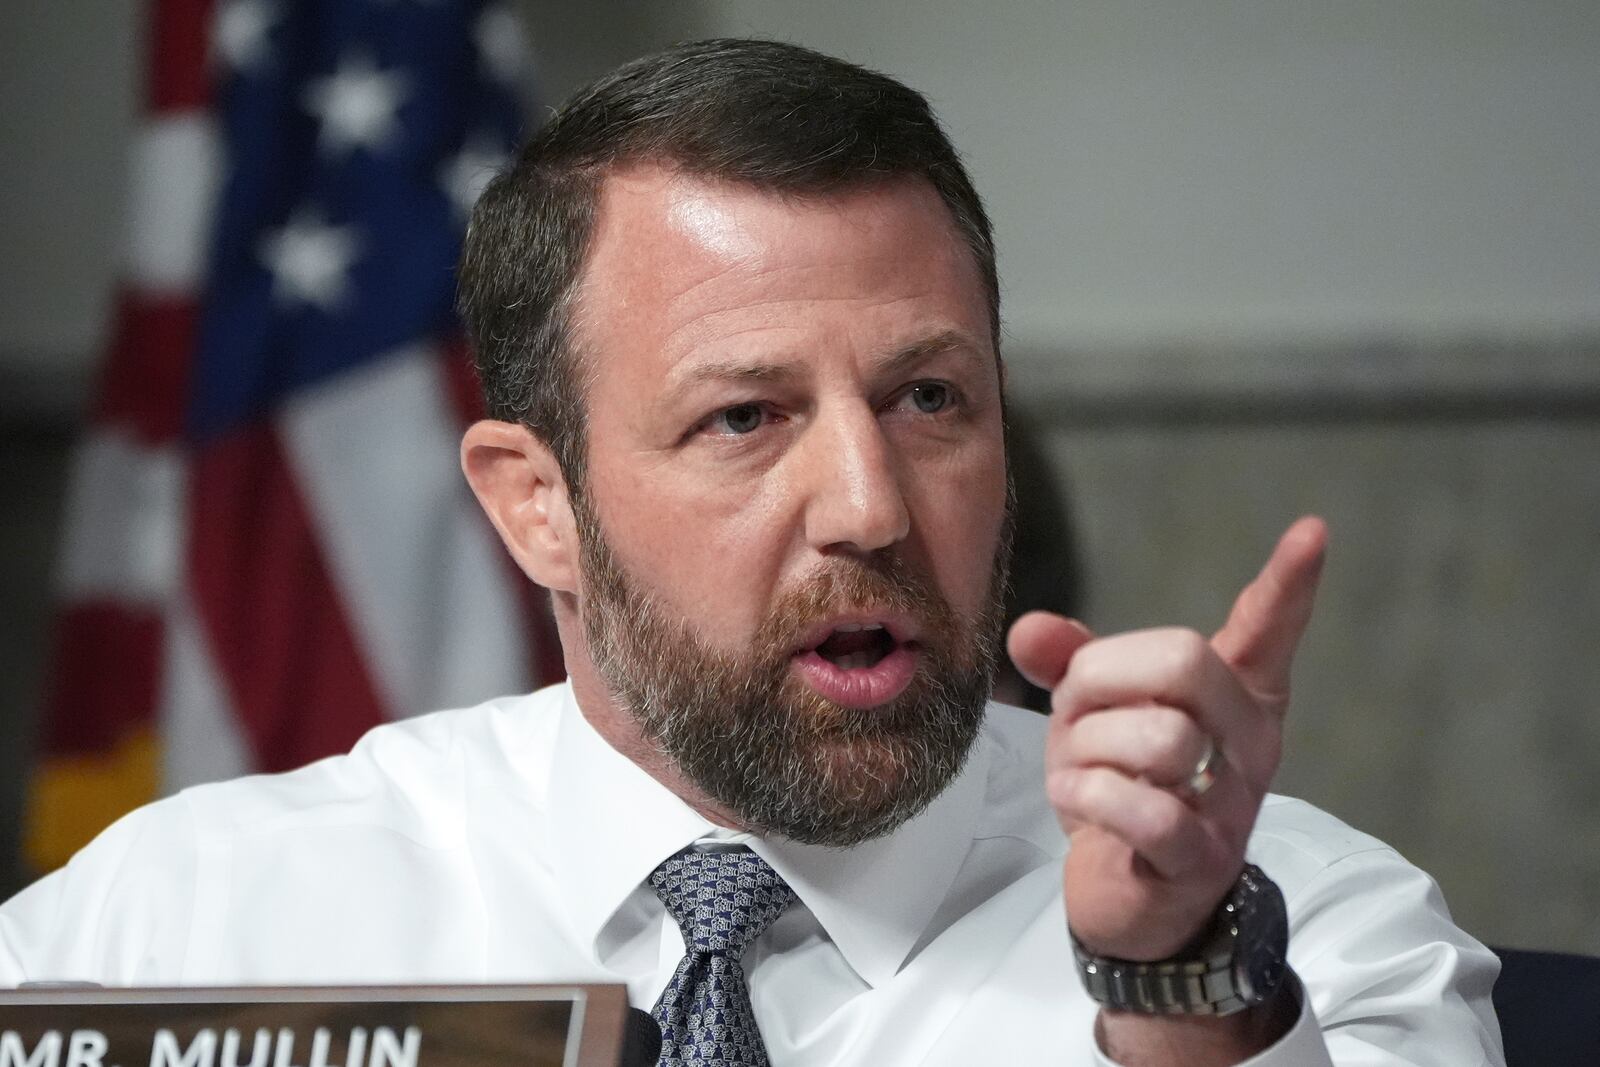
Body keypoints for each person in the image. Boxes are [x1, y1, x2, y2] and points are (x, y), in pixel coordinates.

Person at [0, 39, 1501, 1066]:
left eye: (929, 399)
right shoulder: (183, 928)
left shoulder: (1297, 928)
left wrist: (1180, 991)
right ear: (537, 505)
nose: (870, 505)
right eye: (744, 417)